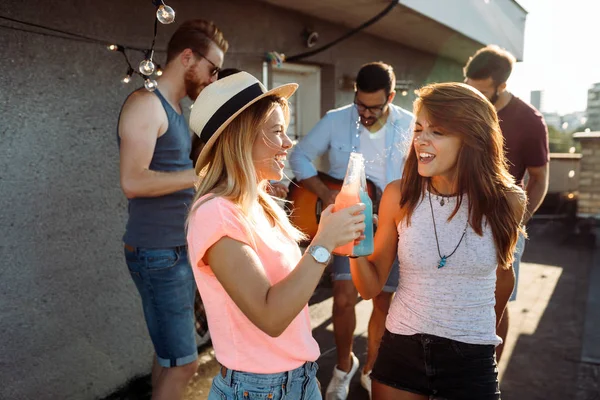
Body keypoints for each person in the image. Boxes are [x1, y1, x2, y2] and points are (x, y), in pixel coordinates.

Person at [186, 71, 367, 400]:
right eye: (276, 132)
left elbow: (291, 285)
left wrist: (330, 232)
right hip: (259, 390)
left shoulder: (260, 202)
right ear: (240, 138)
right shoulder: (215, 214)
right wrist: (323, 242)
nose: (289, 143)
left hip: (298, 380)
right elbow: (270, 316)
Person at [349, 82, 527, 400]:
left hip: (471, 359)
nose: (421, 140)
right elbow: (369, 288)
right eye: (418, 129)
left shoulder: (508, 201)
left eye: (437, 132)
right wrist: (354, 248)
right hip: (400, 352)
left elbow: (503, 277)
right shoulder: (398, 195)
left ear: (472, 138)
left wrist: (480, 338)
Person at [117, 19, 228, 400]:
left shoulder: (176, 110)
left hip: (172, 250)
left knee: (169, 359)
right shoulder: (146, 104)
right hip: (157, 253)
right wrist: (198, 175)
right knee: (184, 364)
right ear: (187, 58)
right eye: (211, 69)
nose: (213, 79)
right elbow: (133, 182)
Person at [289, 62, 412, 399]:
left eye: (374, 106)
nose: (366, 113)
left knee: (383, 303)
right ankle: (345, 366)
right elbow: (299, 156)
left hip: (393, 227)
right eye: (360, 104)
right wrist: (325, 192)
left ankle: (371, 368)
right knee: (343, 299)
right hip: (350, 222)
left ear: (391, 96)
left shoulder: (410, 125)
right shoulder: (336, 119)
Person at [464, 45, 550, 360]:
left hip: (503, 223)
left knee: (497, 305)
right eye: (469, 87)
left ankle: (490, 371)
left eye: (482, 92)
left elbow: (539, 178)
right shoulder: (465, 108)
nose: (473, 97)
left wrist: (518, 220)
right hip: (458, 219)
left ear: (502, 86)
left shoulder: (529, 120)